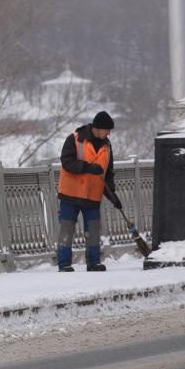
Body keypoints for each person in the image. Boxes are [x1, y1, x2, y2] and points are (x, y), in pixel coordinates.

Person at [56, 111, 122, 272]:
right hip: (70, 193)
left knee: (93, 230)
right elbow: (67, 162)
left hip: (92, 196)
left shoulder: (107, 146)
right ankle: (64, 264)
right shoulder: (76, 139)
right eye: (107, 130)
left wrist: (112, 196)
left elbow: (108, 172)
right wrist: (88, 168)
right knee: (67, 229)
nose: (109, 133)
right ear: (97, 128)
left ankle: (93, 262)